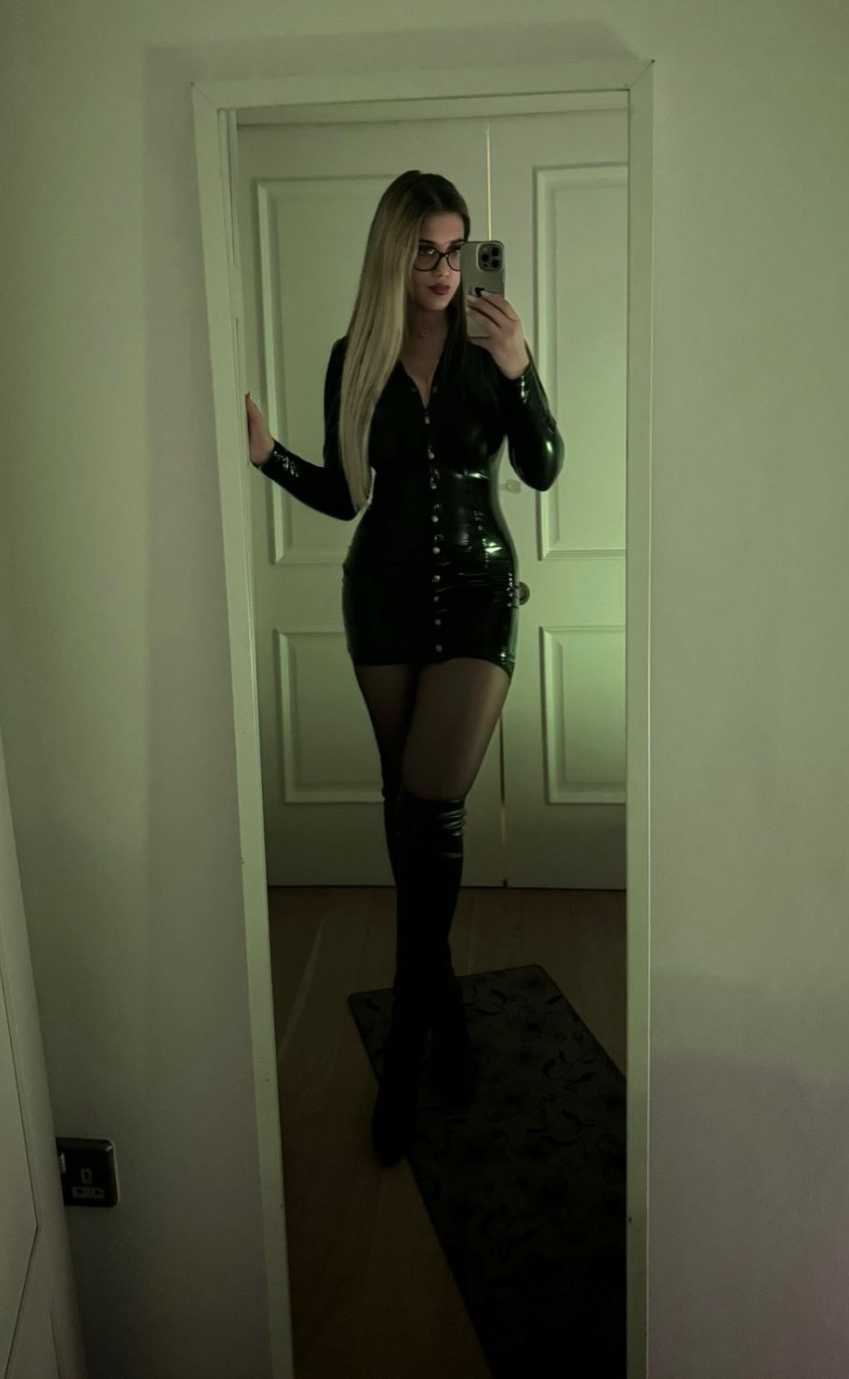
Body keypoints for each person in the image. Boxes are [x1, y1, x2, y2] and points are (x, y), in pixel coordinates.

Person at [244, 170, 564, 1167]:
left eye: (456, 250)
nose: (443, 268)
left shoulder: (491, 344)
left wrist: (519, 368)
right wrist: (268, 456)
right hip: (380, 598)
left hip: (476, 596)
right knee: (406, 811)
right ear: (394, 251)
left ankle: (409, 1044)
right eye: (426, 250)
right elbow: (349, 495)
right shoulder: (357, 354)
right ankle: (447, 1009)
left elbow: (544, 465)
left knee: (432, 803)